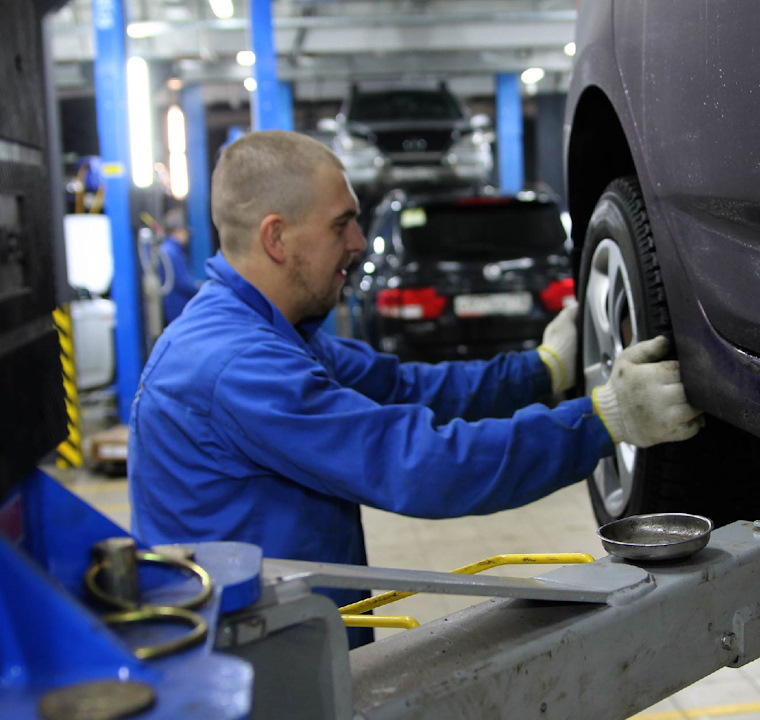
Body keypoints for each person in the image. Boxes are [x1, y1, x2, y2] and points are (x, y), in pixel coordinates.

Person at [128, 130, 703, 648]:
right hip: (254, 673)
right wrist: (603, 421)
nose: (357, 242)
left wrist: (544, 369)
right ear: (276, 238)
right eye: (340, 224)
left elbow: (408, 388)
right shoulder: (237, 366)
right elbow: (415, 463)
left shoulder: (273, 332)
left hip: (290, 647)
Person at [157, 207, 200, 324]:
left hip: (171, 312)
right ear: (178, 231)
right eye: (186, 232)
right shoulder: (172, 252)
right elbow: (184, 283)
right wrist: (203, 288)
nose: (187, 237)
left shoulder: (166, 249)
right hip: (177, 310)